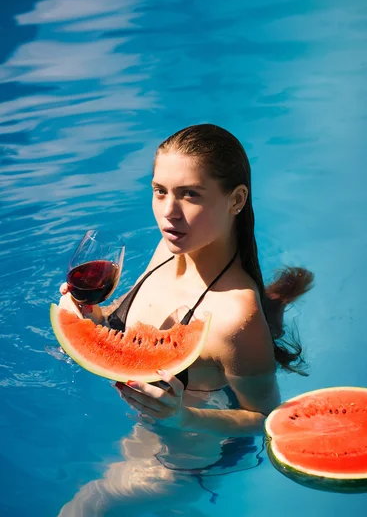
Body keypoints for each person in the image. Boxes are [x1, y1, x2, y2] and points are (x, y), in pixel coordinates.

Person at [58, 124, 314, 515]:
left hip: (184, 461)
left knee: (89, 503)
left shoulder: (233, 316)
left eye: (190, 195)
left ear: (236, 199)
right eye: (160, 191)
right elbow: (125, 322)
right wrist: (90, 315)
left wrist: (182, 415)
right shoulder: (169, 244)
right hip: (147, 426)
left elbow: (264, 418)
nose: (168, 212)